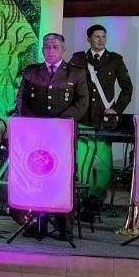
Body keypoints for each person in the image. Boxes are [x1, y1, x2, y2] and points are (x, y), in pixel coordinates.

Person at [15, 33, 89, 241]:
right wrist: (34, 123)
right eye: (47, 47)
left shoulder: (76, 73)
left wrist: (57, 124)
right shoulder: (31, 72)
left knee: (62, 179)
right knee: (34, 176)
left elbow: (82, 103)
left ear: (63, 50)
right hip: (36, 136)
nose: (50, 50)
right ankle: (33, 222)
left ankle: (64, 227)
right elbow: (21, 99)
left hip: (61, 136)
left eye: (55, 47)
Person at [69, 25, 133, 202]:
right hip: (82, 116)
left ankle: (98, 197)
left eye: (103, 36)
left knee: (103, 161)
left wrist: (117, 110)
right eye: (96, 36)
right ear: (89, 39)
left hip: (105, 118)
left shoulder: (115, 60)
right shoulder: (78, 59)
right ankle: (82, 196)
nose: (100, 40)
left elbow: (127, 88)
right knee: (82, 159)